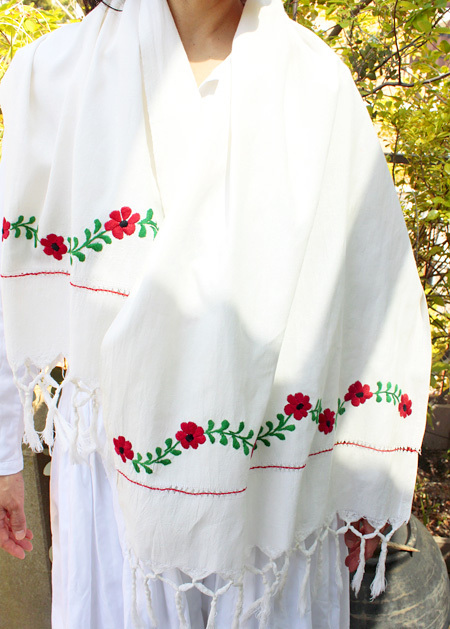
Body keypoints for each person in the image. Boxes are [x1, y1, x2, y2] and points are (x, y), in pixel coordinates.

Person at [0, 0, 431, 627]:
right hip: (113, 495)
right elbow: (10, 281)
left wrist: (367, 481)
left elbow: (373, 295)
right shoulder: (57, 75)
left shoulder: (319, 90)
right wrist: (4, 457)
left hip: (273, 494)